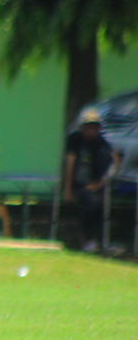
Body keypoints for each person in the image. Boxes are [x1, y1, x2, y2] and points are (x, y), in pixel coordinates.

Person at [63, 107, 119, 252]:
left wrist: (101, 182)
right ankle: (85, 240)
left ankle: (99, 242)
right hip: (78, 185)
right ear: (82, 127)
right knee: (90, 204)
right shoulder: (75, 140)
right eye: (88, 127)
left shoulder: (101, 143)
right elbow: (69, 164)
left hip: (96, 184)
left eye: (94, 127)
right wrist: (67, 190)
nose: (91, 131)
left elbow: (115, 161)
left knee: (100, 206)